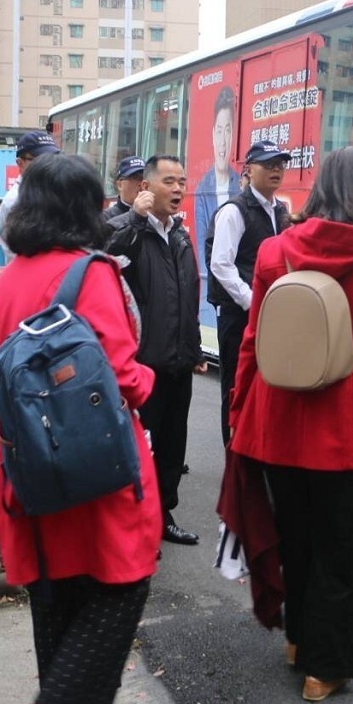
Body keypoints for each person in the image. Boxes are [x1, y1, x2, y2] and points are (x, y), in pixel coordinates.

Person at [228, 146, 353, 702]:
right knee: (344, 547)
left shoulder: (275, 251)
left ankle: (297, 641)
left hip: (280, 419)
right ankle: (325, 667)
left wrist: (239, 407)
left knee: (297, 537)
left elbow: (253, 339)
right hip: (352, 426)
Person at [0, 153, 160, 704]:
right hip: (87, 447)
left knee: (54, 579)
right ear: (86, 208)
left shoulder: (10, 275)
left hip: (18, 449)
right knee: (124, 577)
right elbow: (118, 373)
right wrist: (150, 385)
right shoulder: (91, 272)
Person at [105, 154, 205, 547]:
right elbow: (103, 252)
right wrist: (135, 218)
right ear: (145, 188)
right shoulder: (131, 230)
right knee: (139, 446)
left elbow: (189, 296)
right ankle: (135, 523)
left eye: (182, 181)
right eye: (169, 181)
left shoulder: (179, 235)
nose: (178, 189)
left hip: (178, 362)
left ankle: (163, 516)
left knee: (171, 447)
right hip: (143, 366)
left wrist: (194, 348)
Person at [207, 139, 291, 445]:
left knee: (268, 383)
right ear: (248, 169)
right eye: (268, 164)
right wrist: (252, 302)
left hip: (272, 317)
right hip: (240, 316)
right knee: (235, 387)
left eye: (280, 164)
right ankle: (234, 456)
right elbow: (221, 265)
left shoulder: (280, 211)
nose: (276, 170)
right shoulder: (234, 211)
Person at [193, 86, 239, 326]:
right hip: (214, 303)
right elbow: (204, 260)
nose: (223, 141)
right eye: (219, 131)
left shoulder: (240, 185)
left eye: (228, 130)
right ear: (212, 134)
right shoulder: (202, 190)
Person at [0, 131, 61, 260]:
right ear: (20, 163)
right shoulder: (15, 201)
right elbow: (15, 253)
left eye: (52, 158)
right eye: (40, 160)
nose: (48, 165)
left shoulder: (57, 192)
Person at [102, 155, 145, 221]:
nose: (141, 184)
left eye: (145, 178)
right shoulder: (106, 217)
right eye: (135, 178)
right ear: (119, 185)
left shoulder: (155, 217)